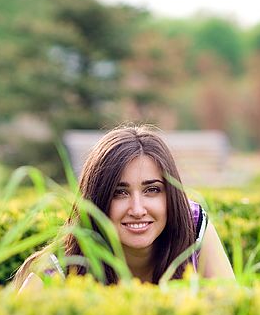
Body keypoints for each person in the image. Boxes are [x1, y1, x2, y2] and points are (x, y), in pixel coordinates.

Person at [14, 125, 235, 291]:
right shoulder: (61, 268)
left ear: (171, 195)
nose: (137, 209)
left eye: (152, 190)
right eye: (119, 193)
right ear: (97, 200)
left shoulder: (193, 225)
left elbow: (233, 312)